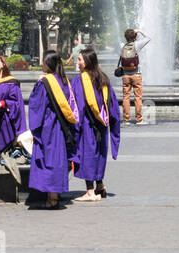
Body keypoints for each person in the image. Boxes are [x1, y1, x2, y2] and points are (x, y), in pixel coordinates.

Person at [28, 53, 80, 210]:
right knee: (58, 159)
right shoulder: (64, 81)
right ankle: (56, 194)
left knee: (48, 158)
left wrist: (35, 129)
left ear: (47, 64)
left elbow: (37, 107)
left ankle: (52, 199)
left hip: (48, 127)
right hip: (61, 127)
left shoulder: (45, 82)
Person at [71, 49, 120, 202]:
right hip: (102, 125)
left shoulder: (79, 81)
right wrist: (112, 124)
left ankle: (90, 192)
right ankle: (100, 186)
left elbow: (77, 106)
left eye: (80, 60)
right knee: (98, 155)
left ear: (87, 61)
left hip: (87, 125)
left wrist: (73, 127)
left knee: (87, 156)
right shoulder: (103, 79)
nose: (77, 62)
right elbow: (112, 107)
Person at [118, 29, 146, 125]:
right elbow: (148, 38)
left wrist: (130, 35)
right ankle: (139, 119)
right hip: (136, 74)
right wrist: (139, 31)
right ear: (135, 37)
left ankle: (126, 120)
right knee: (138, 97)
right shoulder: (137, 45)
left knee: (126, 97)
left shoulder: (122, 46)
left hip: (125, 75)